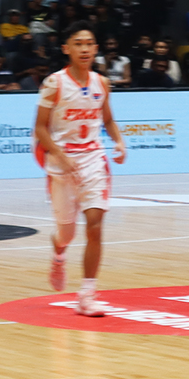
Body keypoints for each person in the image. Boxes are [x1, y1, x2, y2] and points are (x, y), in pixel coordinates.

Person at [34, 22, 126, 317]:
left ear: (96, 49)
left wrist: (120, 142)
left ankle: (87, 294)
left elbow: (108, 120)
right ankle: (59, 254)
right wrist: (59, 155)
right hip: (61, 163)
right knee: (66, 234)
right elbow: (40, 129)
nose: (85, 48)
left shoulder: (102, 83)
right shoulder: (54, 83)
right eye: (78, 43)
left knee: (96, 225)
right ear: (67, 49)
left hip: (93, 160)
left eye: (89, 43)